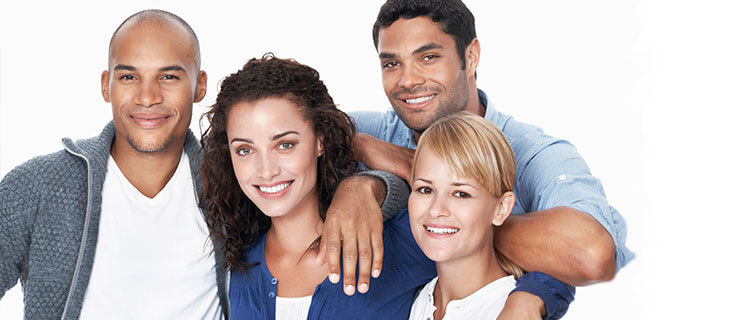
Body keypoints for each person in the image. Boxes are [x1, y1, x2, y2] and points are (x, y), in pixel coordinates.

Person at [0, 9, 406, 319]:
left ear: (199, 86)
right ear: (105, 84)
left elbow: (304, 188)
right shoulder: (39, 187)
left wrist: (366, 186)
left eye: (169, 77)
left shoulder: (226, 188)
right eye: (128, 77)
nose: (147, 97)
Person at [346, 0, 634, 317]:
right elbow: (295, 126)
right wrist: (360, 169)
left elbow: (591, 254)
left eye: (428, 57)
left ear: (471, 57)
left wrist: (472, 226)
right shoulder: (375, 133)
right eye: (391, 64)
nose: (408, 80)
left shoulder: (533, 154)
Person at [200, 54, 435, 319]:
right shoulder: (236, 263)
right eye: (245, 150)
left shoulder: (400, 242)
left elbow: (480, 208)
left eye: (285, 145)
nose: (266, 171)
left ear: (319, 141)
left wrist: (367, 180)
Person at [407, 112, 525, 320]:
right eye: (425, 189)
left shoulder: (509, 310)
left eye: (461, 194)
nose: (436, 209)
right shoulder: (419, 299)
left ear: (501, 208)